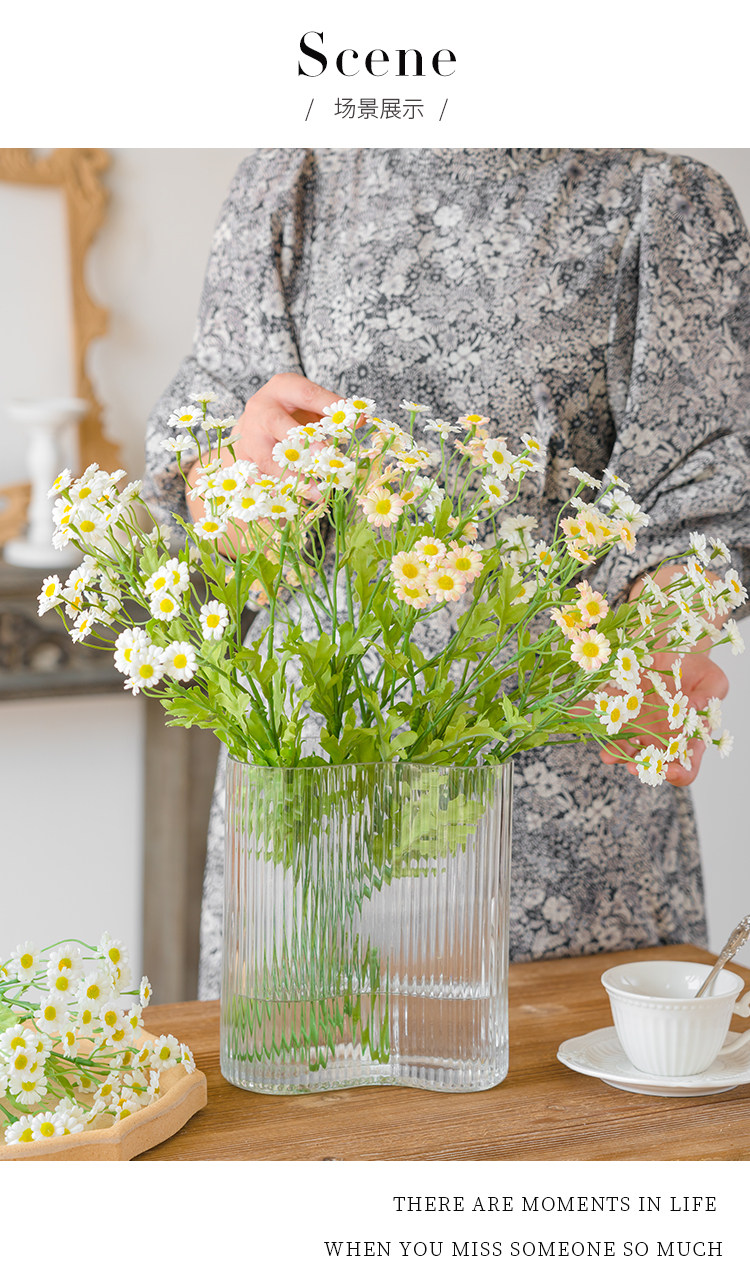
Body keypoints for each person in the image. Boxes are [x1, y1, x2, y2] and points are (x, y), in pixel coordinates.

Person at [143, 149, 750, 1000]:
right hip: (312, 784)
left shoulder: (660, 201)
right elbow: (213, 463)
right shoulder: (295, 183)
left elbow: (709, 481)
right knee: (303, 1100)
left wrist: (662, 629)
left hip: (555, 794)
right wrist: (240, 483)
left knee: (555, 1113)